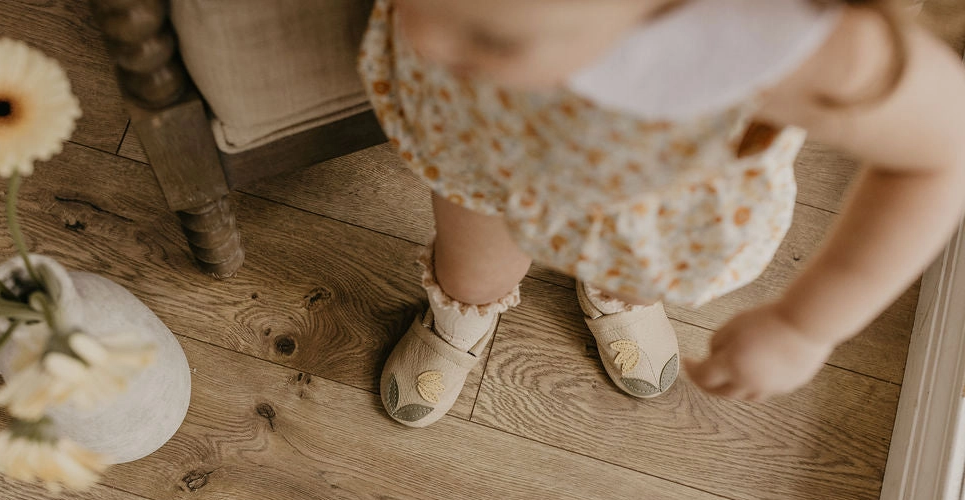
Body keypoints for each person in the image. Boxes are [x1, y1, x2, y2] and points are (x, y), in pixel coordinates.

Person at [358, 0, 965, 427]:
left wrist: (806, 327)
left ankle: (616, 296)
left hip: (642, 206)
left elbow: (941, 154)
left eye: (496, 37)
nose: (424, 39)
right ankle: (462, 314)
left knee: (630, 266)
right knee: (470, 261)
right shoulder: (448, 28)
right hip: (476, 151)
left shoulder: (783, 35)